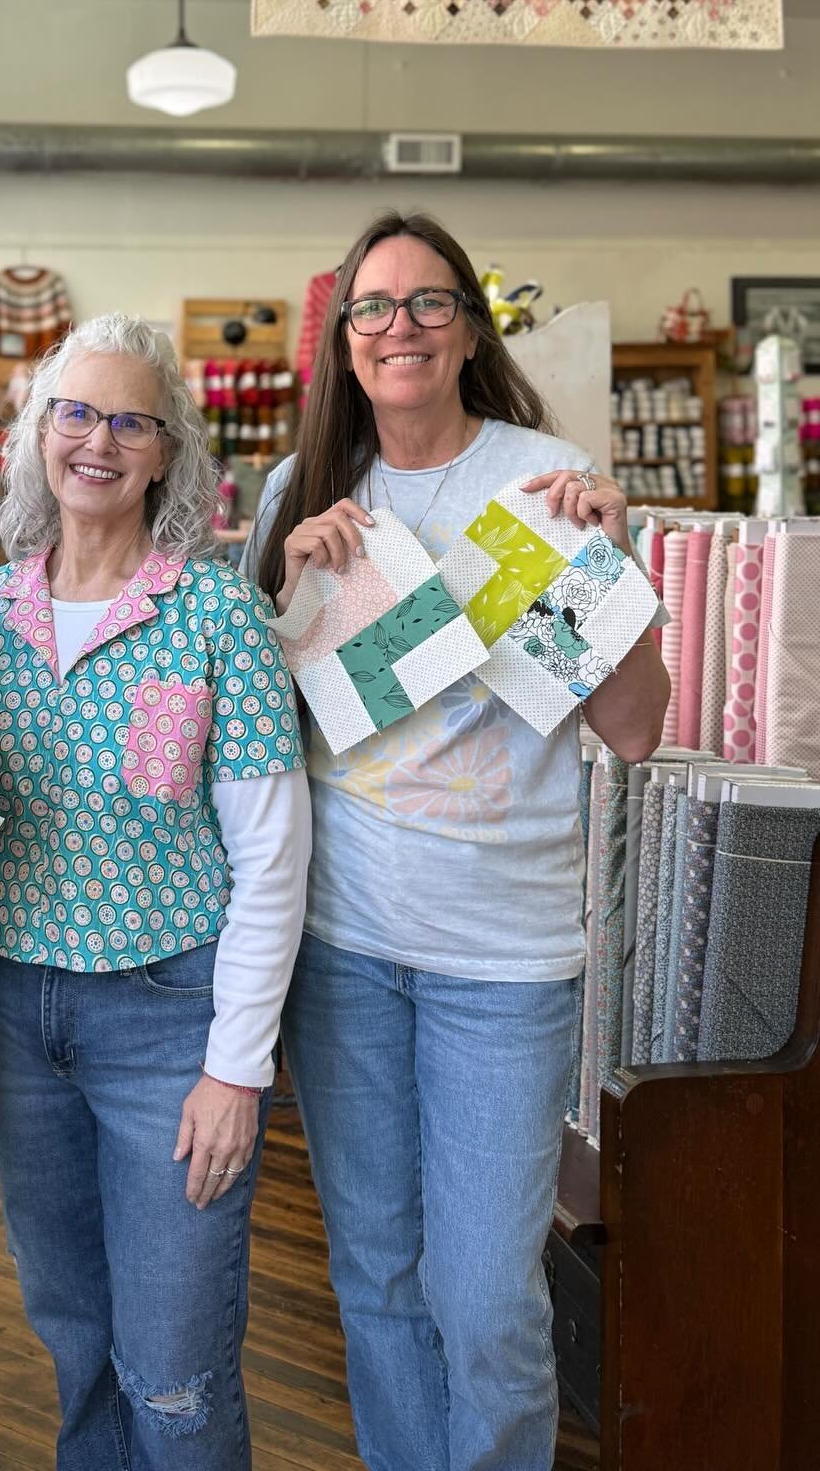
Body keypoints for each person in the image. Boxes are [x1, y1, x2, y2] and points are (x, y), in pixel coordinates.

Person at [243, 213, 668, 1471]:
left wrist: (612, 570)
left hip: (507, 960)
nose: (403, 328)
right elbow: (257, 736)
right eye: (375, 308)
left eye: (429, 303)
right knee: (375, 1277)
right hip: (346, 946)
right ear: (344, 341)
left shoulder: (544, 477)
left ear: (471, 327)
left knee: (487, 1302)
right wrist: (286, 599)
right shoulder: (301, 490)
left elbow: (635, 730)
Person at [0, 314, 312, 1470]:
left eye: (130, 421)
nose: (98, 440)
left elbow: (273, 858)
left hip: (168, 1024)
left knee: (177, 1373)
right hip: (16, 1009)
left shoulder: (220, 622)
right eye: (76, 413)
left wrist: (235, 1071)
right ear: (38, 435)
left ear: (167, 455)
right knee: (73, 1338)